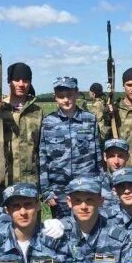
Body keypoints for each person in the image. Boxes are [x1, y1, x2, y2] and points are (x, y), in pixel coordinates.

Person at [39, 76, 103, 218]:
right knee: (62, 230)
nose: (66, 100)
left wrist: (100, 185)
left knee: (88, 227)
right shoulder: (48, 122)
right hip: (59, 190)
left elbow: (98, 155)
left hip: (86, 186)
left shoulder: (89, 119)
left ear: (76, 93)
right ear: (55, 97)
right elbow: (43, 158)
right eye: (61, 96)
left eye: (69, 95)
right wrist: (46, 191)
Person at [0, 62, 43, 189]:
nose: (21, 84)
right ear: (9, 81)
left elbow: (41, 148)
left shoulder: (37, 111)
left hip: (30, 181)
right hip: (3, 181)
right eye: (16, 80)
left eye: (26, 80)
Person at [100, 138, 129, 209]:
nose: (116, 161)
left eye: (120, 156)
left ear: (127, 157)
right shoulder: (97, 184)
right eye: (112, 156)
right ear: (105, 157)